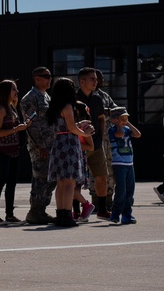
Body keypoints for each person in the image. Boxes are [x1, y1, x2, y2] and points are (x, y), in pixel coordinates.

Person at [47, 77, 94, 228]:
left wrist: (78, 125)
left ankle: (61, 214)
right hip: (69, 143)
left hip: (58, 144)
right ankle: (67, 215)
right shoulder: (68, 106)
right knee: (69, 183)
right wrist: (86, 133)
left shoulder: (54, 106)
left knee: (61, 183)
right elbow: (72, 129)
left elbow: (65, 126)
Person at [0, 79, 30, 224]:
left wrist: (23, 126)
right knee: (0, 181)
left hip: (14, 149)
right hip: (1, 150)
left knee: (12, 182)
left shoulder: (12, 107)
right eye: (14, 89)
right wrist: (15, 129)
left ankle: (9, 214)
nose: (17, 92)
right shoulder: (0, 109)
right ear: (6, 91)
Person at [21, 67, 58, 225]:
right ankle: (35, 212)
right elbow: (32, 125)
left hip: (52, 145)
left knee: (50, 179)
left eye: (50, 76)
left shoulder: (47, 97)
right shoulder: (30, 98)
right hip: (40, 147)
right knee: (40, 179)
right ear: (37, 78)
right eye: (46, 76)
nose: (50, 79)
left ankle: (41, 210)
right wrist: (41, 145)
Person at [76, 67, 111, 220]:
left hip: (96, 145)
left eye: (96, 79)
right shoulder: (73, 99)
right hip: (79, 146)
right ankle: (76, 211)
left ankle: (102, 210)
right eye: (92, 79)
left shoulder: (97, 99)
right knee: (75, 180)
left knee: (102, 176)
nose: (96, 82)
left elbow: (101, 118)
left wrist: (100, 136)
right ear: (82, 81)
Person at [107, 106, 141, 224]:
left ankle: (127, 214)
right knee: (121, 190)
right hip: (119, 163)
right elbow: (119, 135)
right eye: (122, 118)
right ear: (114, 119)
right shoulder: (112, 130)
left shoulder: (127, 128)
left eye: (126, 118)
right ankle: (115, 213)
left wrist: (128, 123)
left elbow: (138, 134)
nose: (124, 120)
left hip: (129, 163)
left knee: (130, 190)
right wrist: (118, 125)